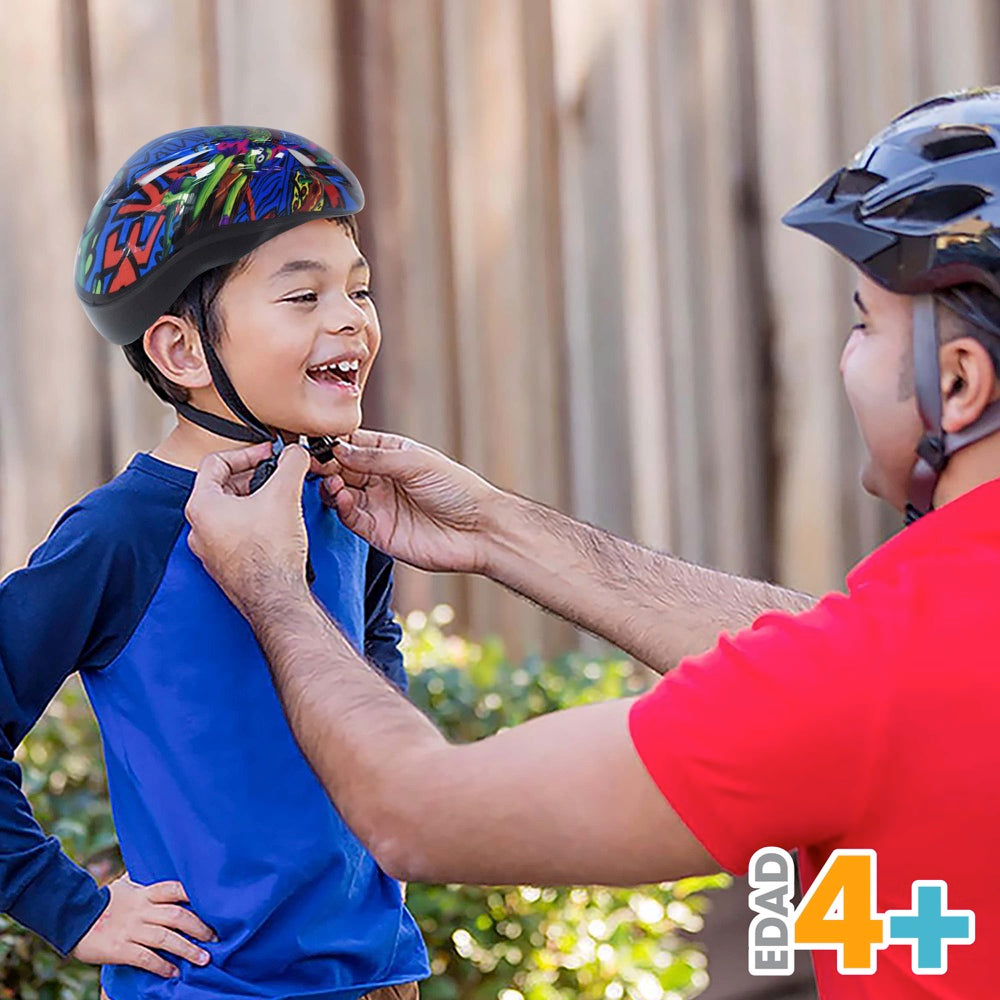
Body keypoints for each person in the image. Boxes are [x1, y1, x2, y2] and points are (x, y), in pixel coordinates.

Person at [185, 88, 1000, 999]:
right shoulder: (918, 647)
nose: (846, 353)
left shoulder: (878, 675)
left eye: (864, 324)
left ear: (958, 382)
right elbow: (829, 656)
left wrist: (274, 590)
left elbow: (418, 811)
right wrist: (494, 525)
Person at [0, 127, 428, 1000]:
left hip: (382, 975)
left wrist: (398, 799)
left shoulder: (339, 492)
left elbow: (372, 643)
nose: (349, 317)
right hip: (210, 986)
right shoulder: (120, 536)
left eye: (358, 289)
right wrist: (70, 907)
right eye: (302, 296)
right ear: (183, 352)